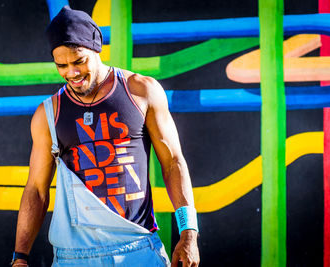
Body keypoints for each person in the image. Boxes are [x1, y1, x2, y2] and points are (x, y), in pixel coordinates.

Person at [12, 6, 199, 267]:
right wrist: (20, 256)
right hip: (72, 257)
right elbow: (36, 190)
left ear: (96, 48)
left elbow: (173, 163)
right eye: (61, 66)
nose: (72, 73)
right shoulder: (48, 114)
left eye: (79, 61)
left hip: (137, 248)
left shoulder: (141, 91)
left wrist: (189, 233)